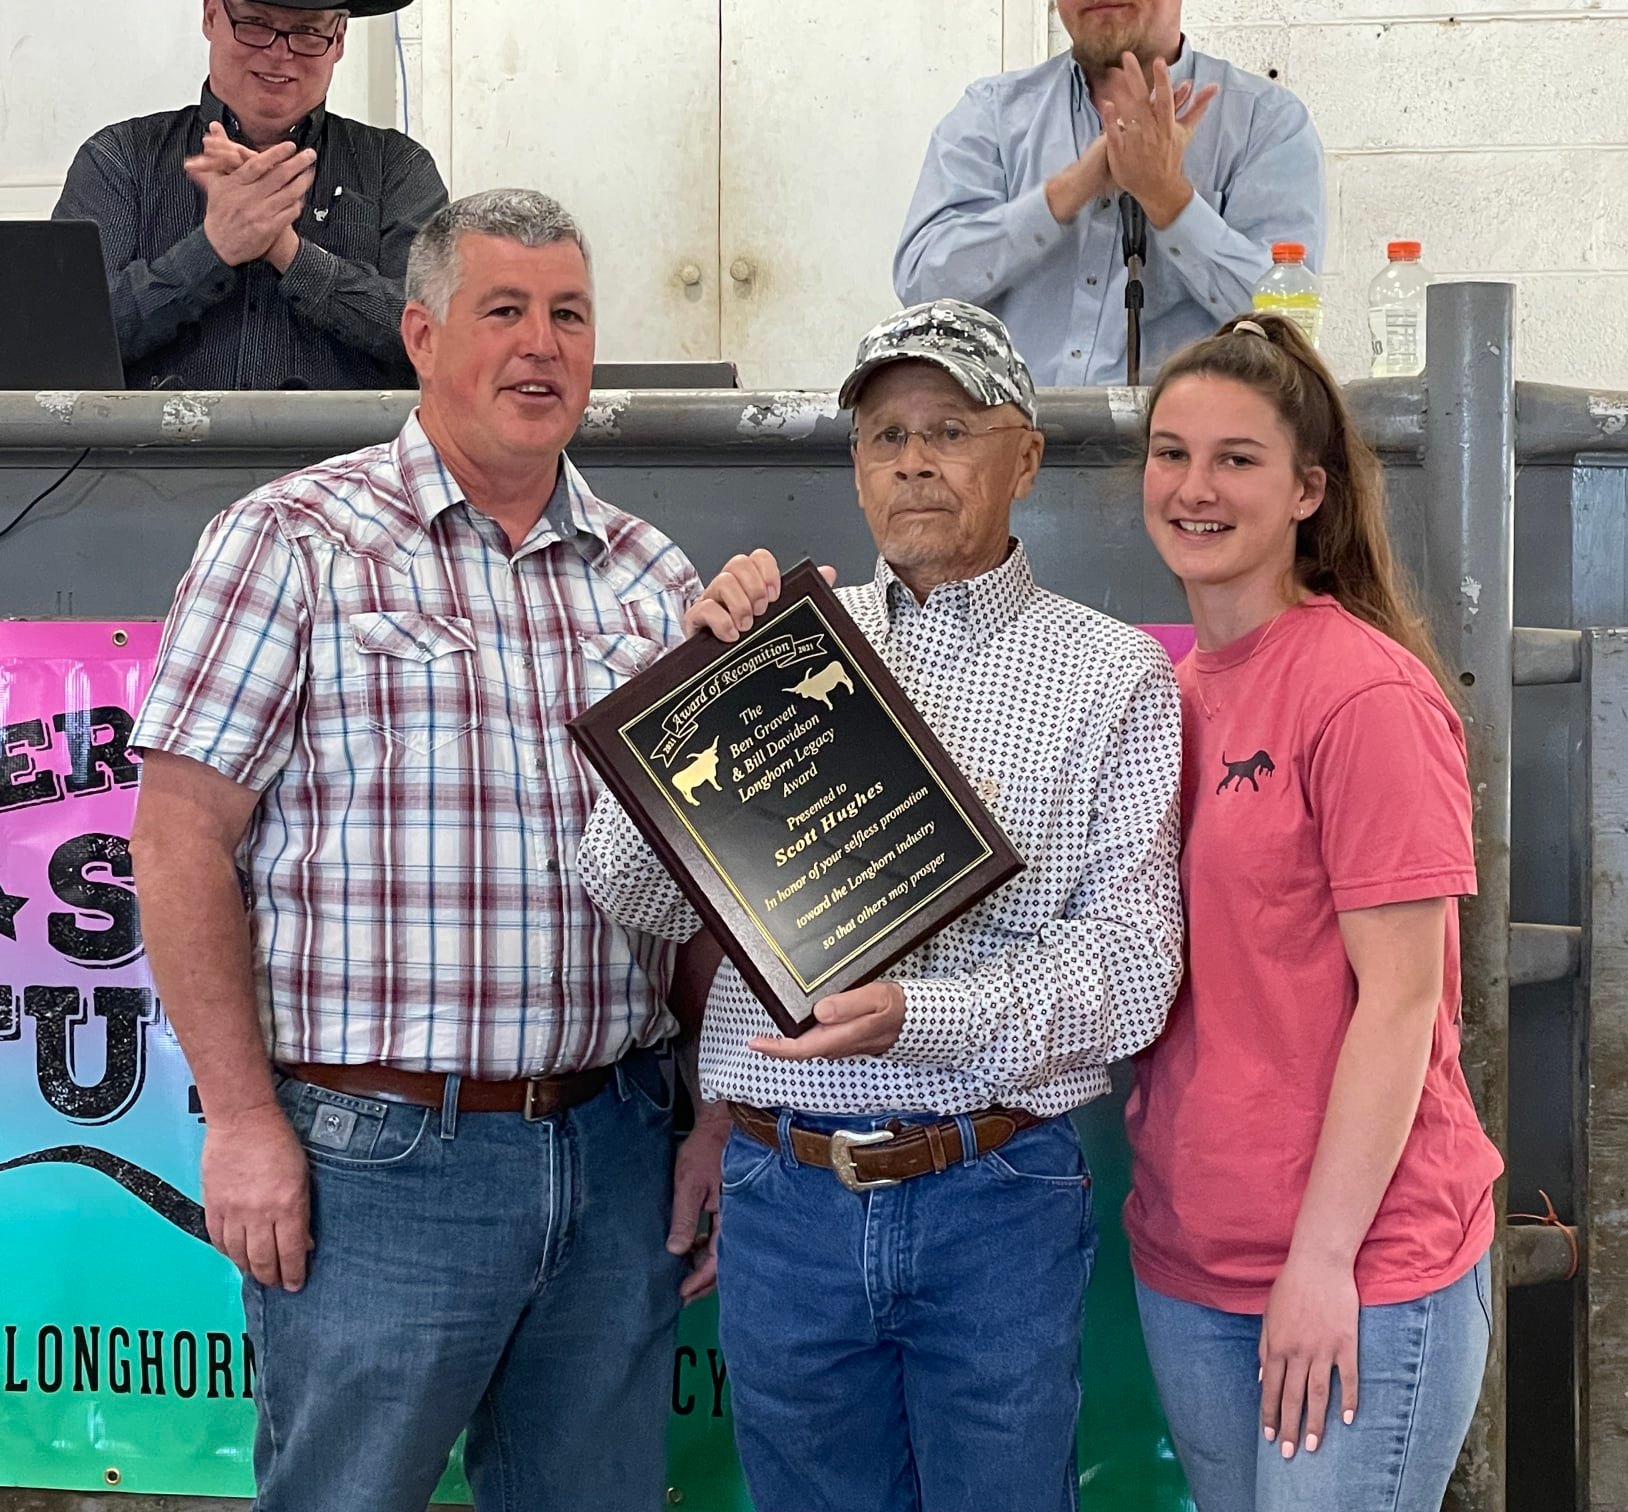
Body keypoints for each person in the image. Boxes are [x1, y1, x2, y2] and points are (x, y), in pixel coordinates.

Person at [126, 189, 704, 1512]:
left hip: (616, 1147)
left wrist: (712, 1115)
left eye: (569, 315)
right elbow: (176, 841)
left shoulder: (652, 578)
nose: (542, 346)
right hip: (374, 1164)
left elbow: (703, 890)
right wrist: (245, 1123)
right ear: (422, 333)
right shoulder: (293, 541)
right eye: (504, 312)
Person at [580, 298, 1185, 1512]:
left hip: (994, 1196)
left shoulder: (1111, 673)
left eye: (951, 429)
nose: (913, 459)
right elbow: (625, 885)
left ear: (1027, 456)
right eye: (883, 434)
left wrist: (926, 1013)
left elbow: (1134, 960)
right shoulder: (783, 644)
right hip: (782, 1192)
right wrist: (688, 693)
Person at [1122, 310, 1503, 1512]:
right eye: (1171, 453)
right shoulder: (1163, 696)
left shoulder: (1365, 697)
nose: (1195, 487)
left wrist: (1324, 1263)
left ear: (1306, 491)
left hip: (1359, 1269)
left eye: (1237, 459)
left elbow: (1400, 1007)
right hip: (1191, 1260)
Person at [894, 0, 1323, 388]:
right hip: (1006, 446)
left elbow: (1286, 326)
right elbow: (923, 285)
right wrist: (1066, 192)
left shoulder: (1266, 123)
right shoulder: (990, 112)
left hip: (1187, 456)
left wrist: (1169, 200)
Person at [53, 0, 447, 390]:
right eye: (255, 24)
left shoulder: (398, 167)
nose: (279, 53)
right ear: (211, 17)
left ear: (338, 38)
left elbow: (439, 338)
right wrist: (213, 248)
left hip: (348, 452)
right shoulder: (118, 158)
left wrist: (288, 251)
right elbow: (66, 338)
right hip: (155, 452)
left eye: (308, 31)